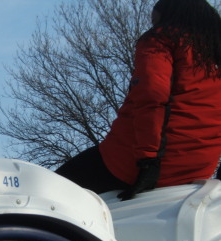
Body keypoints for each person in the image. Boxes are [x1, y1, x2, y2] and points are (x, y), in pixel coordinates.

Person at [56, 0, 221, 200]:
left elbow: (152, 95)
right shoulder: (214, 53)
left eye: (155, 21)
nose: (154, 27)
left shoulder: (162, 40)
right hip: (197, 170)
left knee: (51, 188)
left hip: (139, 164)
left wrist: (148, 161)